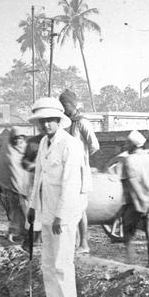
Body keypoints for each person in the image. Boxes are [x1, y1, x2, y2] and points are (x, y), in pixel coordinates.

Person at [27, 97, 84, 297]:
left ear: (59, 121)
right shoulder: (43, 144)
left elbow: (71, 182)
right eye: (42, 121)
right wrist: (32, 207)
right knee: (48, 262)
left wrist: (61, 214)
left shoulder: (70, 144)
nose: (46, 125)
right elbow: (38, 177)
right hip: (46, 209)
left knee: (62, 262)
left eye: (50, 120)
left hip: (65, 213)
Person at [59, 89, 99, 255]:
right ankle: (73, 242)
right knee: (67, 207)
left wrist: (81, 158)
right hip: (66, 171)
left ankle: (84, 243)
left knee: (80, 208)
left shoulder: (83, 122)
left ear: (72, 104)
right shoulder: (64, 123)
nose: (63, 108)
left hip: (80, 171)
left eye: (65, 105)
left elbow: (94, 146)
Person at [119, 130, 149, 269]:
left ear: (133, 145)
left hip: (136, 203)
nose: (125, 145)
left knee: (127, 230)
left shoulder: (129, 160)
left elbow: (132, 183)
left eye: (127, 143)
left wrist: (140, 202)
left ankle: (131, 262)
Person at [0, 126, 31, 243]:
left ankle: (25, 232)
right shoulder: (7, 150)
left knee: (26, 209)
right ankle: (13, 232)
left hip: (26, 186)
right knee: (15, 210)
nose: (17, 141)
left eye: (20, 138)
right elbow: (5, 169)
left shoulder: (26, 149)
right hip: (11, 187)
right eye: (15, 138)